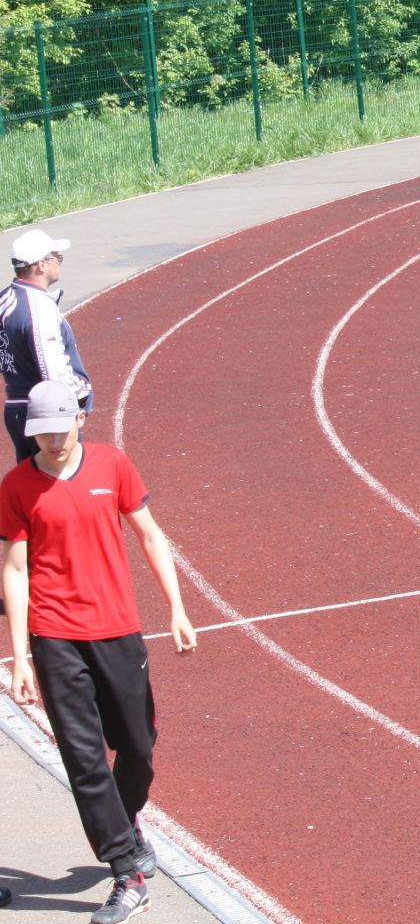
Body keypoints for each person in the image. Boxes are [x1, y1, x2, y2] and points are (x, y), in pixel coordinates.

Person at [5, 380, 197, 924]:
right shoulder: (18, 486)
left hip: (117, 631)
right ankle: (127, 872)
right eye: (41, 432)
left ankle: (125, 818)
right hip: (56, 638)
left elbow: (151, 536)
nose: (52, 440)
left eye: (61, 429)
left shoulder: (113, 466)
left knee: (137, 747)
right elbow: (15, 572)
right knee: (85, 761)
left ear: (81, 419)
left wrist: (177, 608)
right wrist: (20, 656)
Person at [2, 228, 92, 464]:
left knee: (29, 485)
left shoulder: (4, 299)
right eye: (57, 258)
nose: (59, 263)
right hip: (48, 414)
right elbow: (53, 371)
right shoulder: (39, 308)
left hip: (16, 407)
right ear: (42, 265)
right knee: (62, 485)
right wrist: (81, 394)